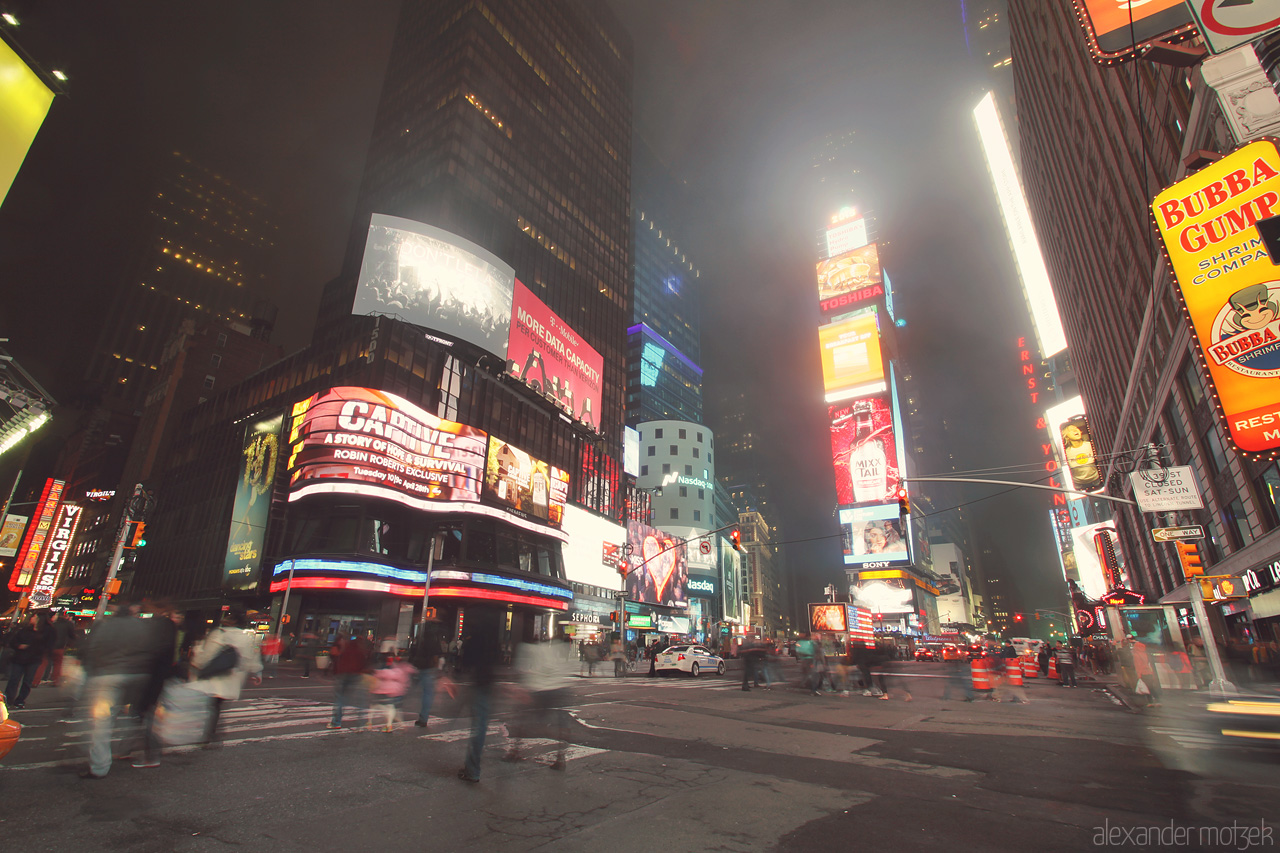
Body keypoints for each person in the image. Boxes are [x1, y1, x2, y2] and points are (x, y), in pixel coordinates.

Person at [79, 602, 166, 778]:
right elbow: (152, 650)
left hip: (107, 677)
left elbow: (92, 650)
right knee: (135, 715)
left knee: (102, 722)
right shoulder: (142, 627)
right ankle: (133, 744)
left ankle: (99, 767)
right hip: (136, 676)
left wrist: (90, 675)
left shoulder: (104, 626)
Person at [188, 608, 264, 746]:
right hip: (232, 677)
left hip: (215, 675)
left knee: (211, 704)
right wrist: (257, 672)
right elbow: (251, 657)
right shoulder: (245, 638)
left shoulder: (219, 633)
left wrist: (195, 663)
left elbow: (206, 655)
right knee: (217, 705)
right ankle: (212, 732)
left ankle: (208, 733)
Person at [506, 637, 572, 769]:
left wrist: (521, 689)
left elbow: (522, 671)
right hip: (558, 688)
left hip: (538, 688)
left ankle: (515, 751)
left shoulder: (526, 648)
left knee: (521, 717)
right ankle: (561, 757)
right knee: (561, 722)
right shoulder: (557, 648)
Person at [457, 612, 503, 783]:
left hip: (478, 682)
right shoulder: (493, 639)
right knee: (481, 725)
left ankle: (472, 768)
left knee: (477, 726)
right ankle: (473, 768)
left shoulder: (475, 638)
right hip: (489, 683)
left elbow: (466, 662)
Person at [326, 631, 371, 729]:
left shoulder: (341, 645)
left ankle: (336, 722)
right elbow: (364, 659)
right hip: (356, 674)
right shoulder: (359, 648)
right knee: (360, 699)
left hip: (342, 673)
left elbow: (333, 655)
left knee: (340, 698)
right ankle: (362, 722)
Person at [4, 613, 47, 709]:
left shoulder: (42, 633)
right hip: (20, 658)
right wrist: (19, 646)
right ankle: (9, 699)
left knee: (27, 681)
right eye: (32, 617)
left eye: (35, 617)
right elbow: (13, 642)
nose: (33, 619)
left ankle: (20, 700)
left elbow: (44, 647)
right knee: (14, 680)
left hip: (33, 660)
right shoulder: (23, 630)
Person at [408, 617, 444, 729]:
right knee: (427, 694)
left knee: (409, 688)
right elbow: (437, 655)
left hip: (418, 666)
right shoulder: (434, 639)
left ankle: (395, 705)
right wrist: (438, 669)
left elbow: (413, 650)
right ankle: (423, 718)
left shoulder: (421, 637)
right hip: (428, 668)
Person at [368, 654, 414, 732]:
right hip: (394, 691)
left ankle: (369, 722)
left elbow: (376, 677)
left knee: (375, 706)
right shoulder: (399, 670)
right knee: (391, 707)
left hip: (381, 691)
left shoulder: (381, 670)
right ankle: (389, 725)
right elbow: (404, 679)